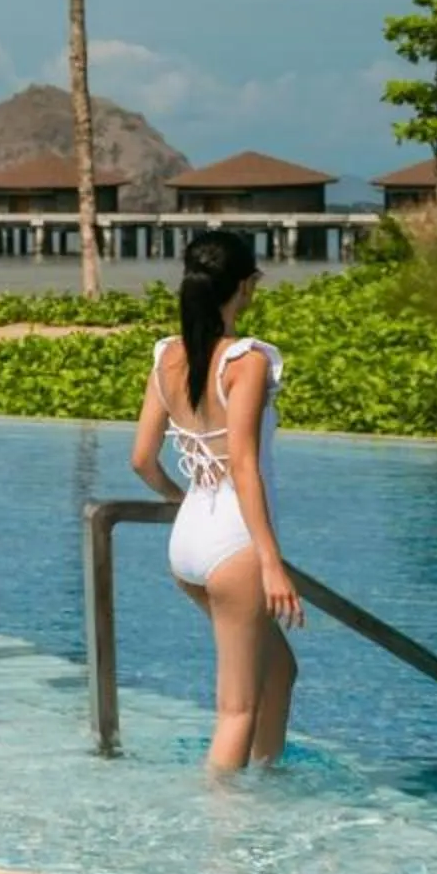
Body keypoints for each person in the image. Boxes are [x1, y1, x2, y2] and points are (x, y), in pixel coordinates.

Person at [128, 229, 300, 772]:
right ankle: (220, 840)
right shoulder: (245, 361)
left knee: (280, 670)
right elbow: (245, 465)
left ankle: (265, 783)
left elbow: (142, 460)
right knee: (235, 709)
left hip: (189, 539)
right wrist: (272, 563)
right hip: (235, 544)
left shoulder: (167, 358)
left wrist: (184, 502)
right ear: (247, 286)